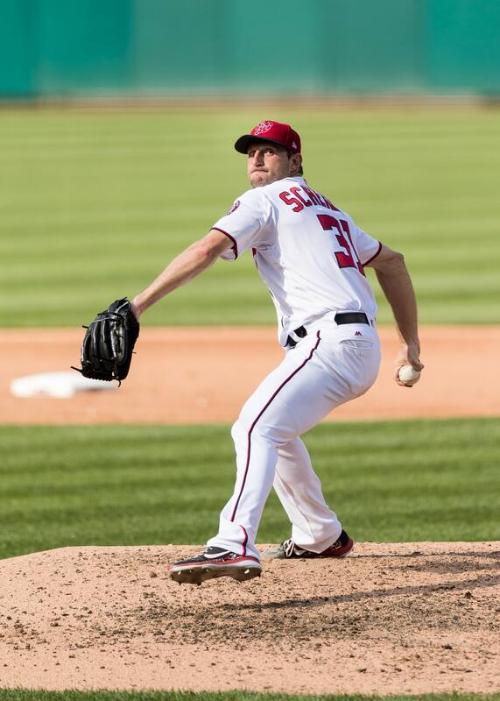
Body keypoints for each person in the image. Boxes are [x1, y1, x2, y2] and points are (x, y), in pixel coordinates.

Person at [131, 120, 423, 585]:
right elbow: (392, 261)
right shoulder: (329, 210)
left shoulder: (263, 201)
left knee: (253, 426)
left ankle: (233, 543)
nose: (257, 159)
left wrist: (137, 305)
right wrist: (410, 345)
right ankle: (320, 533)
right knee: (278, 430)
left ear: (295, 160)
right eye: (252, 152)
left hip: (330, 342)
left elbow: (209, 248)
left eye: (270, 150)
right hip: (350, 345)